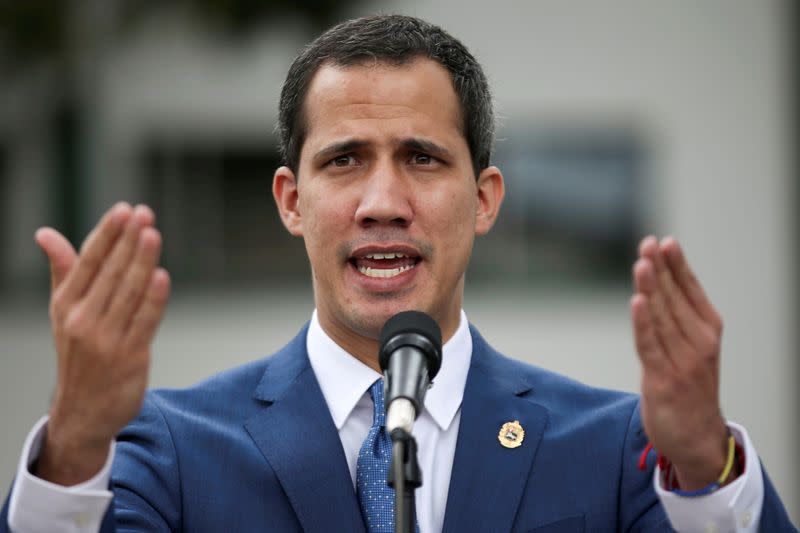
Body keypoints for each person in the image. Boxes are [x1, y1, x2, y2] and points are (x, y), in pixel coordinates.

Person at [1, 14, 796, 533]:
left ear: (484, 199)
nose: (384, 201)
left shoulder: (621, 448)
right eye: (344, 160)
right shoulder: (167, 447)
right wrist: (73, 443)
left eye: (421, 158)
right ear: (291, 201)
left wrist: (703, 463)